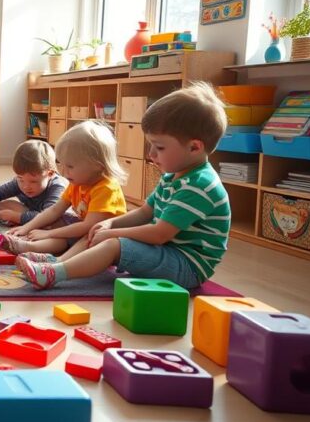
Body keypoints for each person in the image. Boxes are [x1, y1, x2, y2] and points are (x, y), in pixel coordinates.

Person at [18, 83, 231, 290]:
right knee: (96, 230)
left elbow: (159, 234)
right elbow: (146, 212)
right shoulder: (174, 176)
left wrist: (113, 234)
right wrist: (110, 225)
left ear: (194, 147)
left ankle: (56, 274)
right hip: (165, 252)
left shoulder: (199, 185)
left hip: (187, 267)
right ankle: (57, 263)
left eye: (159, 147)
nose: (151, 155)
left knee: (113, 243)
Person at [0, 120, 127, 257]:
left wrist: (49, 233)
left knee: (86, 235)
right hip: (82, 230)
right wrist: (26, 227)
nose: (63, 172)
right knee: (58, 225)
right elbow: (54, 210)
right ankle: (28, 246)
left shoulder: (106, 189)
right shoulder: (77, 182)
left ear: (98, 165)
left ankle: (59, 265)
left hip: (105, 240)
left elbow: (88, 226)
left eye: (70, 166)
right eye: (61, 164)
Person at [0, 139, 67, 225]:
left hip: (52, 217)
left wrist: (16, 217)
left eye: (33, 181)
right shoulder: (19, 182)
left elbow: (49, 216)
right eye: (20, 179)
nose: (26, 186)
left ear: (50, 174)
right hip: (32, 212)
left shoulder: (57, 187)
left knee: (56, 224)